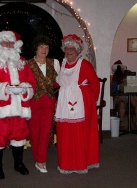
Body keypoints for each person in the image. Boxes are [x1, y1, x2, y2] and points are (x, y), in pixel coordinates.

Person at [0, 30, 36, 178]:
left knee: (19, 136)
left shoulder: (22, 62)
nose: (8, 45)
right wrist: (3, 89)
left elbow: (32, 82)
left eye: (11, 43)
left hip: (19, 108)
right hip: (0, 107)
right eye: (5, 42)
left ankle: (18, 164)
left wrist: (25, 88)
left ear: (15, 45)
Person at [54, 34, 100, 174]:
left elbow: (95, 84)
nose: (69, 51)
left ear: (78, 50)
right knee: (65, 133)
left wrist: (89, 102)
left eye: (72, 48)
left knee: (80, 133)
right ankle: (67, 163)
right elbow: (57, 82)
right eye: (67, 48)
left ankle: (81, 162)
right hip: (64, 104)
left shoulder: (84, 64)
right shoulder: (61, 65)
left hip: (82, 104)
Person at [27, 36, 60, 173]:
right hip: (33, 101)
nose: (44, 50)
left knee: (46, 131)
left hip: (49, 100)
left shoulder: (55, 62)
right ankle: (37, 157)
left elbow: (60, 82)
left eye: (46, 47)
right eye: (41, 47)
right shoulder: (27, 64)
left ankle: (41, 160)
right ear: (36, 48)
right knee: (34, 132)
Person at [112, 61, 137, 130]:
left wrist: (128, 80)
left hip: (130, 93)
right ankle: (122, 123)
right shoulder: (115, 76)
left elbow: (133, 82)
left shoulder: (127, 73)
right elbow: (114, 89)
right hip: (121, 95)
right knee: (122, 104)